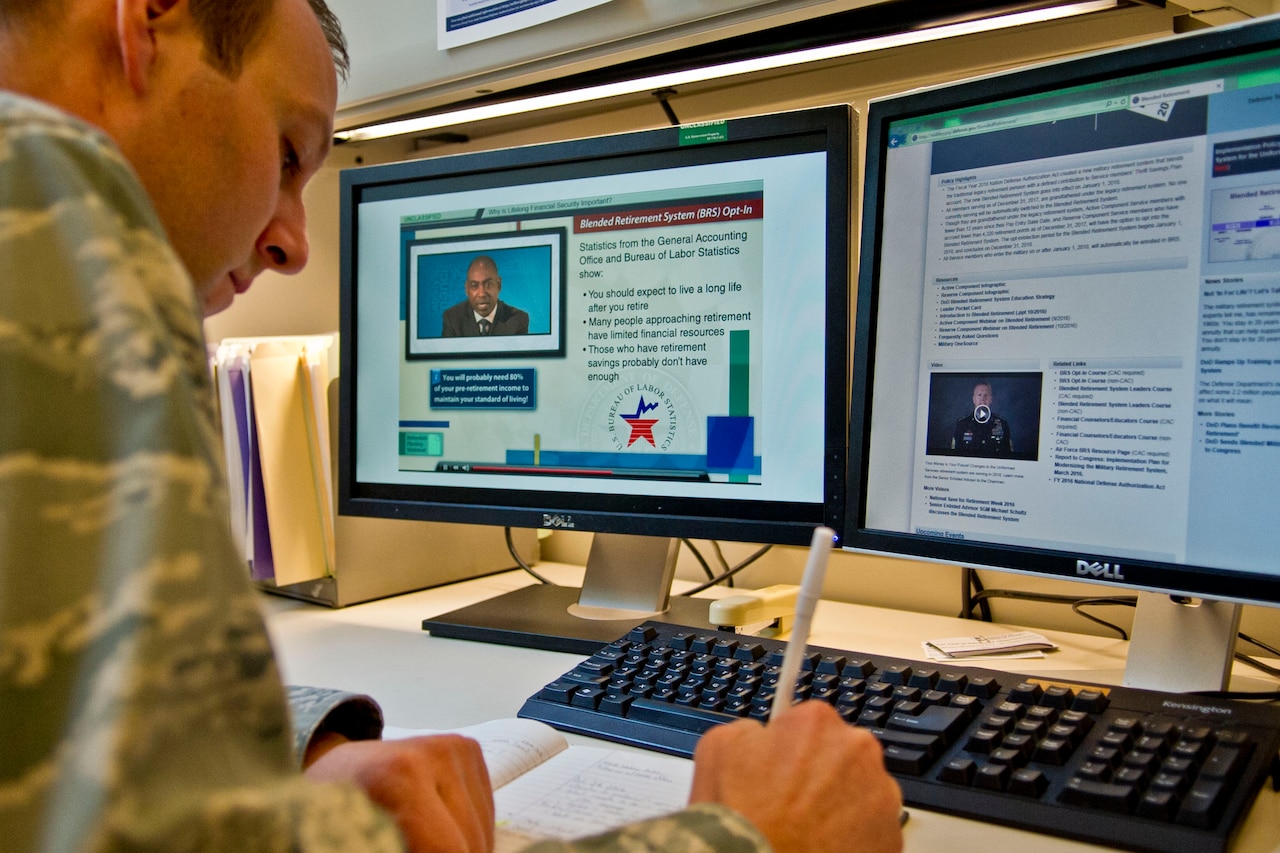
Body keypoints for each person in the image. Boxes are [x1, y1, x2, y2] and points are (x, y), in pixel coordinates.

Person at [0, 2, 903, 852]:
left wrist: (302, 744)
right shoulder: (41, 186)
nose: (295, 246)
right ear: (145, 19)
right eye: (286, 153)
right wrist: (755, 836)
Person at [441, 254, 530, 336]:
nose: (482, 294)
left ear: (498, 285)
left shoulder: (518, 320)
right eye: (474, 286)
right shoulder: (452, 318)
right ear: (466, 289)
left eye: (488, 284)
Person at [952, 380, 1013, 457]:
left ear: (991, 399)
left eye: (986, 395)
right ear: (974, 399)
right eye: (979, 395)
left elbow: (1008, 455)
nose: (982, 398)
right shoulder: (962, 424)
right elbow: (955, 455)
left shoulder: (1002, 424)